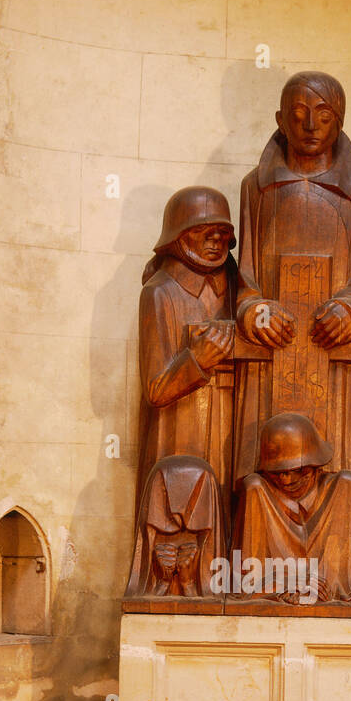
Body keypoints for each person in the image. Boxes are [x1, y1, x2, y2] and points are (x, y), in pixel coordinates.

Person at [233, 72, 351, 483]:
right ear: (280, 120)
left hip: (334, 359)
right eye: (298, 114)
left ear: (340, 121)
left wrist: (350, 310)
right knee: (260, 479)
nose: (310, 126)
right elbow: (246, 283)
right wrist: (256, 312)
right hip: (270, 355)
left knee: (338, 474)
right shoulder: (256, 189)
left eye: (324, 115)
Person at [137, 187, 236, 506]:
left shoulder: (237, 290)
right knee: (182, 511)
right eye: (204, 232)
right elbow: (155, 390)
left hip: (232, 422)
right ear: (177, 237)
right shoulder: (160, 292)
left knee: (224, 510)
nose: (215, 242)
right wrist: (195, 360)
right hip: (179, 427)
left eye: (222, 233)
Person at [233, 413, 351, 604]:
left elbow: (349, 578)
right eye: (277, 473)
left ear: (315, 464)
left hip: (326, 598)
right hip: (277, 588)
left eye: (296, 470)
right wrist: (284, 582)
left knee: (347, 481)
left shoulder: (340, 489)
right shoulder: (258, 490)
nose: (286, 480)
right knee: (253, 484)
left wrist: (326, 586)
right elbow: (246, 581)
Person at [125, 455, 225, 598]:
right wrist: (163, 581)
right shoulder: (152, 531)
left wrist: (188, 582)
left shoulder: (206, 536)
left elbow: (208, 594)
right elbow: (143, 593)